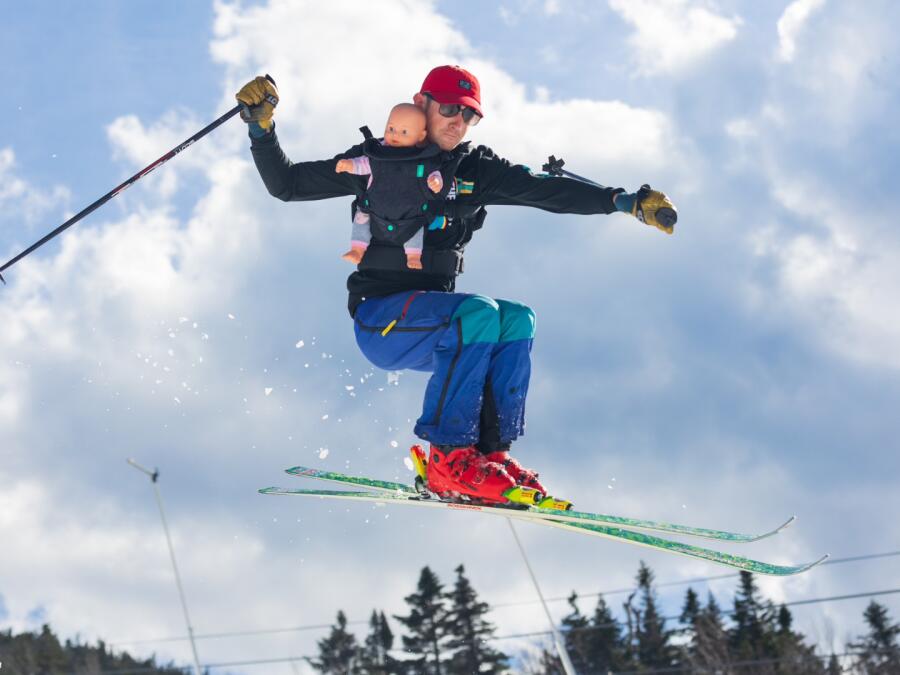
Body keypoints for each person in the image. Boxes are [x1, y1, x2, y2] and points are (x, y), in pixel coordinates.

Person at [236, 66, 676, 505]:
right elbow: (288, 185)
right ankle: (448, 460)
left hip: (439, 326)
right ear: (421, 103)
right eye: (449, 109)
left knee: (518, 319)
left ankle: (489, 457)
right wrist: (261, 129)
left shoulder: (473, 169)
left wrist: (622, 201)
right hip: (381, 322)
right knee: (480, 311)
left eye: (469, 116)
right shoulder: (377, 161)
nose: (458, 122)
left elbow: (545, 191)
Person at [335, 102, 445, 270]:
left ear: (421, 135)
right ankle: (357, 249)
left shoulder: (422, 159)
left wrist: (436, 181)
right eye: (391, 128)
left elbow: (434, 172)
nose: (395, 135)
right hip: (375, 209)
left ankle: (414, 255)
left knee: (416, 230)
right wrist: (349, 165)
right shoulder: (379, 154)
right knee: (361, 219)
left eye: (404, 132)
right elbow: (364, 164)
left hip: (410, 215)